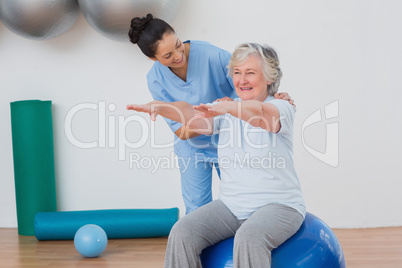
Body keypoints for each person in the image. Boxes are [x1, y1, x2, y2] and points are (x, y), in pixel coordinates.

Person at [127, 43, 305, 268]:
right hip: (231, 206)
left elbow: (261, 115)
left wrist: (230, 108)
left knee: (249, 237)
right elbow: (191, 113)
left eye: (250, 73)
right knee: (182, 231)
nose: (241, 80)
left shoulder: (281, 106)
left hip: (280, 206)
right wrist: (161, 107)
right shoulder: (227, 108)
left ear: (269, 78)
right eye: (237, 73)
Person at [128, 14, 295, 214]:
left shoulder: (212, 56)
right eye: (167, 56)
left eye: (178, 45)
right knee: (197, 210)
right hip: (193, 148)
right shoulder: (155, 79)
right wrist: (210, 115)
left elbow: (251, 85)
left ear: (175, 31)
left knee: (243, 205)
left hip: (233, 141)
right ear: (151, 58)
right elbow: (181, 132)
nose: (178, 55)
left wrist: (275, 95)